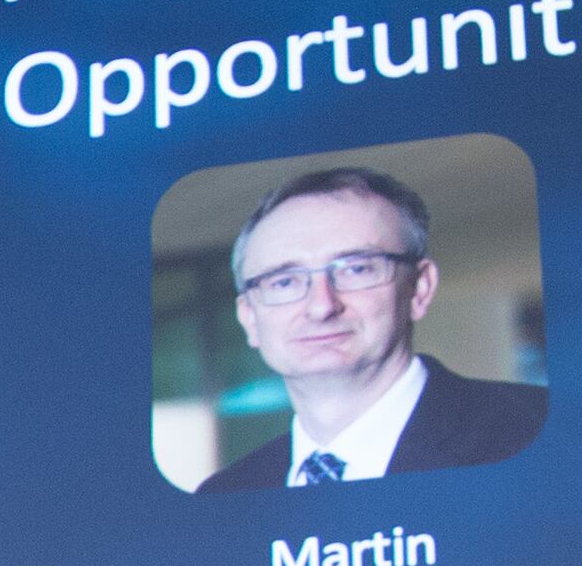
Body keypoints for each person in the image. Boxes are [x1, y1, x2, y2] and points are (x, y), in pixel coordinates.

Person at [195, 166, 548, 488]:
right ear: (249, 318)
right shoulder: (224, 496)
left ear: (419, 288)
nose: (321, 306)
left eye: (356, 269)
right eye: (284, 282)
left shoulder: (543, 431)